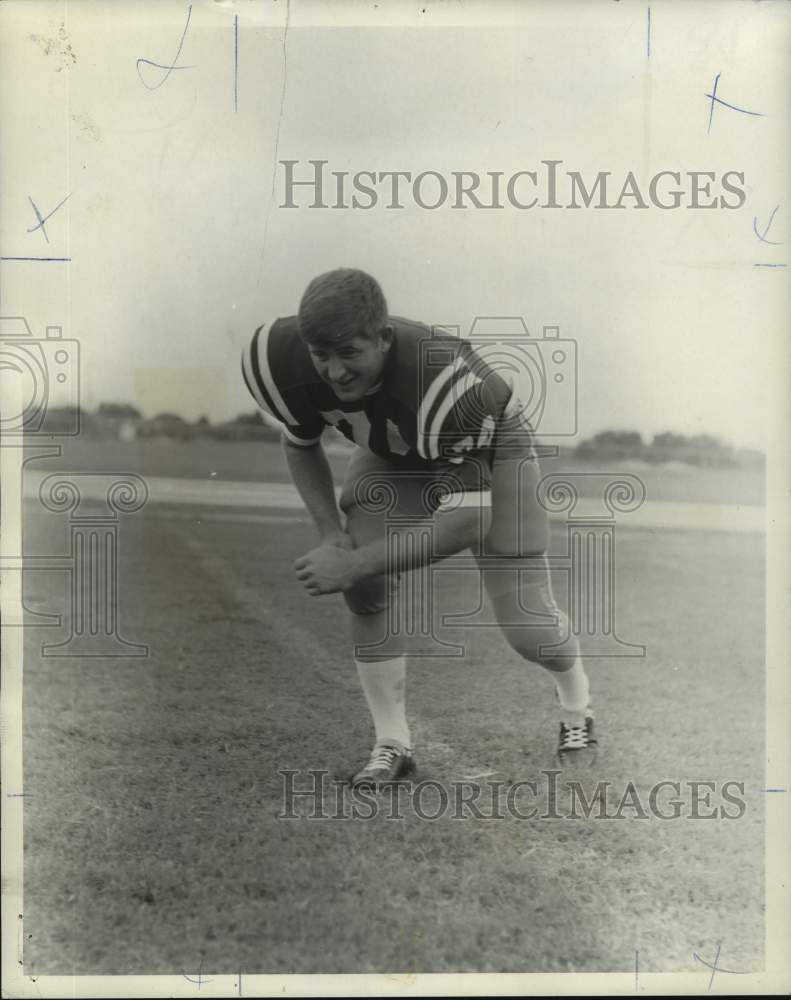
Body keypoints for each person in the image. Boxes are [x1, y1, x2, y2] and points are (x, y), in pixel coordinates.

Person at [241, 268, 595, 788]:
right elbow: (300, 441)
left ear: (383, 338)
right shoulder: (280, 358)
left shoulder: (454, 389)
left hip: (494, 453)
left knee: (528, 626)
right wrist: (331, 535)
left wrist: (352, 562)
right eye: (321, 355)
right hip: (395, 453)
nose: (335, 372)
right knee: (365, 584)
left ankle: (576, 706)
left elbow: (467, 522)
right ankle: (391, 743)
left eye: (349, 354)